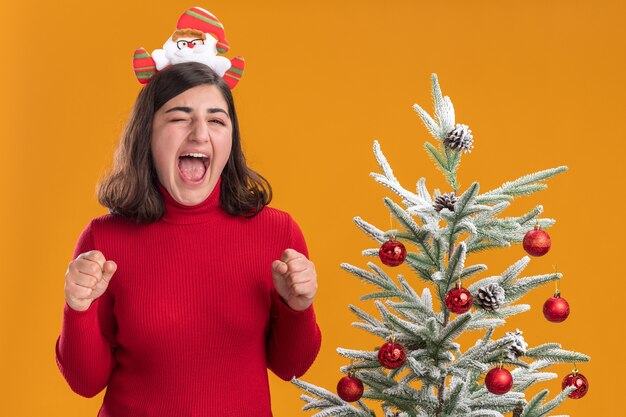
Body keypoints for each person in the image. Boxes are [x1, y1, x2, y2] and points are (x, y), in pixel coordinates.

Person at [55, 62, 322, 416]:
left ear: (231, 139)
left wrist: (298, 309)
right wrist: (77, 309)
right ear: (147, 133)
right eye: (180, 117)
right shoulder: (104, 239)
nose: (199, 134)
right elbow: (84, 382)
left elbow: (291, 367)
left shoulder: (278, 233)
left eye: (216, 120)